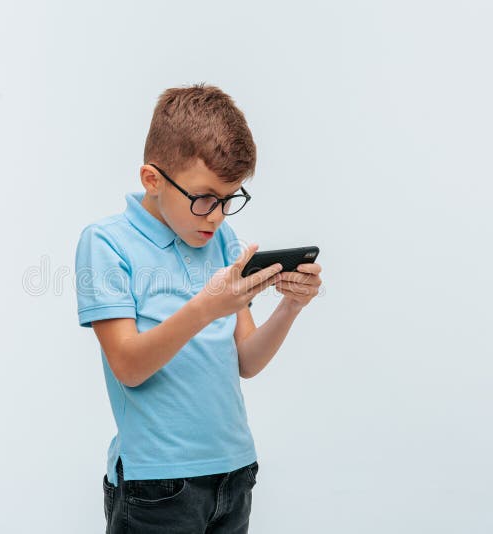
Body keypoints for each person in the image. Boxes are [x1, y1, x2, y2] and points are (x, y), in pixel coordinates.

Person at [74, 83, 323, 533]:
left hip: (234, 473)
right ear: (152, 179)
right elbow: (128, 365)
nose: (217, 216)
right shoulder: (106, 243)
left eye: (229, 199)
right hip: (158, 487)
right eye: (204, 197)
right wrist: (207, 307)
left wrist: (289, 306)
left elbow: (245, 360)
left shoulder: (222, 240)